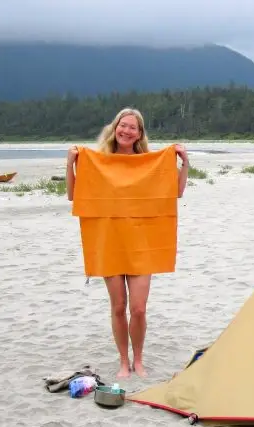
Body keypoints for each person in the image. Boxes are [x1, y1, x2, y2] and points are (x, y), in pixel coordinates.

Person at [65, 107, 190, 378]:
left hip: (141, 242)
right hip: (109, 241)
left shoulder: (149, 163)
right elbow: (73, 195)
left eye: (133, 127)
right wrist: (70, 162)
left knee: (139, 308)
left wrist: (184, 163)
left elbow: (176, 192)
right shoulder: (99, 161)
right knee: (119, 306)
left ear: (139, 133)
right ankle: (124, 361)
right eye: (123, 125)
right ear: (115, 128)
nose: (126, 131)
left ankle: (139, 359)